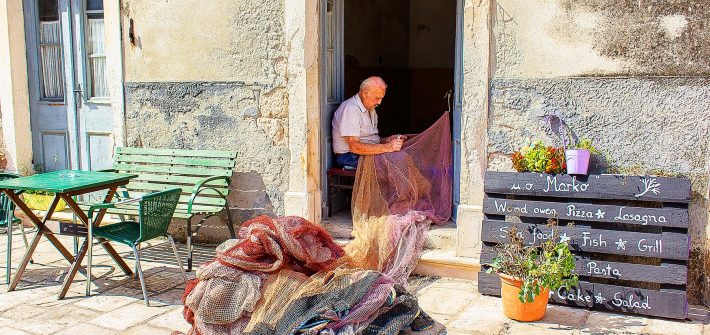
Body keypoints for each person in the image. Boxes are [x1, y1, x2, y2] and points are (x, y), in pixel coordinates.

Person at [331, 76, 406, 168]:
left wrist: (388, 140)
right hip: (349, 157)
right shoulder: (351, 109)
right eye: (377, 98)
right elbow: (354, 147)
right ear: (365, 93)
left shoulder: (371, 109)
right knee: (396, 163)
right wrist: (387, 147)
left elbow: (370, 140)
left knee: (404, 155)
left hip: (362, 154)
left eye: (381, 98)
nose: (380, 102)